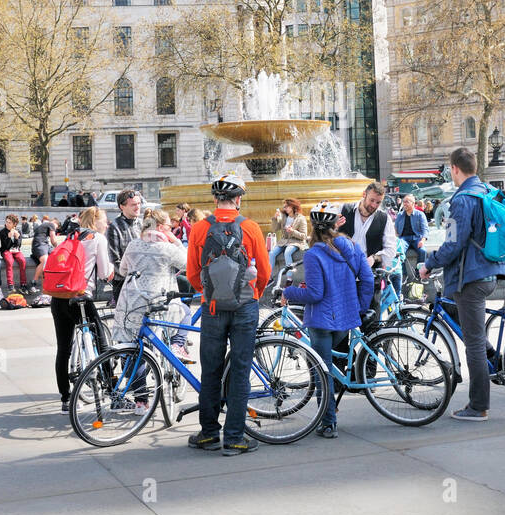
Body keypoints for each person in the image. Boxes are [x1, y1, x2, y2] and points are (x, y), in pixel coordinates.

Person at [185, 174, 270, 456]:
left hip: (211, 307)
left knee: (211, 370)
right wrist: (251, 293)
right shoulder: (250, 227)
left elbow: (193, 274)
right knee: (241, 371)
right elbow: (265, 273)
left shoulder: (198, 229)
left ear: (214, 200)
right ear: (239, 199)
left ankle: (209, 434)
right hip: (245, 305)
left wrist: (210, 292)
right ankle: (234, 437)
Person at [417, 148, 497, 422]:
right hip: (488, 271)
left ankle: (478, 406)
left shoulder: (460, 200)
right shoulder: (486, 191)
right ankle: (495, 361)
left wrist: (429, 263)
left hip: (470, 277)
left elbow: (453, 243)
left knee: (473, 343)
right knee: (471, 330)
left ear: (454, 169)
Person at [281, 202, 373, 439]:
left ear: (312, 227)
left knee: (322, 371)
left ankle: (328, 421)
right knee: (329, 364)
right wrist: (359, 308)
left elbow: (315, 294)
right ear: (335, 224)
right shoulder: (351, 246)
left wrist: (289, 292)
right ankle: (330, 410)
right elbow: (368, 279)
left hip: (322, 320)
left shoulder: (313, 254)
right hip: (346, 319)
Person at [49, 209, 114, 413]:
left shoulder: (71, 236)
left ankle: (66, 399)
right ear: (96, 221)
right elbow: (104, 273)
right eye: (105, 220)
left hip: (59, 297)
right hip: (81, 297)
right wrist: (114, 271)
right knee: (102, 342)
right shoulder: (98, 239)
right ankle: (113, 392)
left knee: (63, 349)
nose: (107, 224)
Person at [113, 209, 187, 362]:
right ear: (160, 227)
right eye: (169, 227)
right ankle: (177, 345)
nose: (171, 230)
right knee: (185, 312)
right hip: (157, 303)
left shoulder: (133, 244)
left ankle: (135, 385)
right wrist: (177, 241)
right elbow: (187, 264)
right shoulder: (168, 248)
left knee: (134, 350)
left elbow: (122, 270)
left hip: (130, 304)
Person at [339, 181, 397, 305]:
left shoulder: (384, 218)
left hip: (369, 278)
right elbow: (324, 238)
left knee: (370, 318)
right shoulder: (343, 209)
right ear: (364, 194)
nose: (374, 205)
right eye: (372, 200)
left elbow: (391, 249)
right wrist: (333, 228)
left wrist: (374, 258)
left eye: (378, 202)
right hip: (342, 276)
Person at [106, 190, 143, 301]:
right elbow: (113, 259)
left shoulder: (144, 223)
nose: (137, 207)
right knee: (124, 318)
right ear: (122, 206)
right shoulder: (114, 227)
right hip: (123, 282)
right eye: (133, 205)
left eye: (139, 204)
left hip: (143, 281)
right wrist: (131, 274)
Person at [395, 193, 429, 289]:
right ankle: (404, 274)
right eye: (403, 202)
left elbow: (425, 229)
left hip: (416, 238)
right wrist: (396, 238)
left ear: (413, 204)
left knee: (423, 251)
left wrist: (422, 240)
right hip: (404, 238)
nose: (404, 204)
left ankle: (419, 273)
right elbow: (396, 230)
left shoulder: (420, 214)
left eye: (407, 202)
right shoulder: (400, 215)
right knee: (399, 251)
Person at [268, 199, 309, 272]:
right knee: (271, 253)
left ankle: (289, 278)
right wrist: (275, 219)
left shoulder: (301, 218)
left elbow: (304, 236)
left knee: (287, 252)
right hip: (283, 241)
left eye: (286, 206)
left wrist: (292, 231)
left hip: (295, 242)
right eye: (284, 207)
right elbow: (274, 229)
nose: (285, 208)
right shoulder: (283, 217)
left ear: (293, 206)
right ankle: (269, 277)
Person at [0, 214, 29, 291]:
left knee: (22, 261)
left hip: (16, 250)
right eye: (7, 222)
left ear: (14, 224)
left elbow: (19, 245)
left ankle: (23, 283)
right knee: (9, 261)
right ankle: (10, 284)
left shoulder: (18, 231)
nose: (7, 224)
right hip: (6, 250)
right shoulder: (2, 232)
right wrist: (9, 237)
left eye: (9, 222)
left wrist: (17, 238)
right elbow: (5, 246)